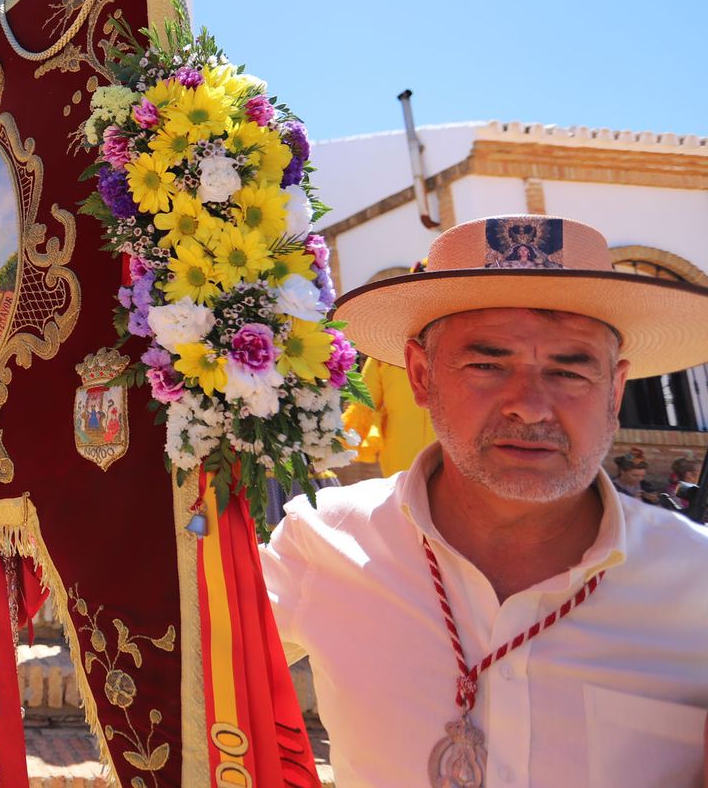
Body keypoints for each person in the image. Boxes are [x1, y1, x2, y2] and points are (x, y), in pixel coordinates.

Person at [263, 215, 708, 787]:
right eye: (488, 365)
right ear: (422, 377)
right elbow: (183, 661)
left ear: (615, 391)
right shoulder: (320, 543)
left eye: (570, 371)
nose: (530, 406)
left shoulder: (696, 580)